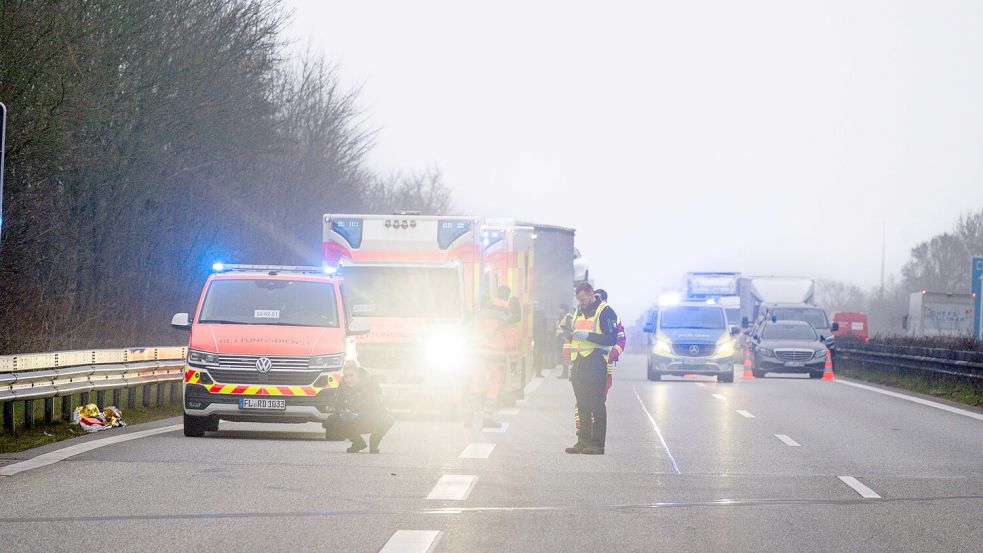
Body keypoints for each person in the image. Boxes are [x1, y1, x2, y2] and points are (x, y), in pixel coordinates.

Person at [565, 281, 618, 455]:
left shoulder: (606, 311)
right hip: (579, 362)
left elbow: (611, 339)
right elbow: (572, 331)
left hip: (596, 362)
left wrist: (588, 335)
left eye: (583, 299)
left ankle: (597, 444)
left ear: (591, 294)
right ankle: (583, 441)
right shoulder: (579, 310)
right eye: (578, 299)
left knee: (596, 404)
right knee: (582, 404)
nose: (581, 302)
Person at [573, 288, 626, 435]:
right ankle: (582, 427)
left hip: (603, 363)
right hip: (584, 361)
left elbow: (620, 339)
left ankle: (592, 427)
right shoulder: (582, 314)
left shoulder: (610, 316)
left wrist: (612, 355)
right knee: (582, 396)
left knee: (599, 396)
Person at [466, 286, 516, 429]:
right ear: (507, 297)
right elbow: (510, 339)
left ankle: (468, 415)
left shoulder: (484, 311)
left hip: (479, 354)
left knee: (476, 381)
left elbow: (474, 330)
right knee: (494, 385)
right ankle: (487, 418)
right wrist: (513, 360)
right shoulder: (508, 314)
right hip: (497, 355)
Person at [333, 361, 394, 453]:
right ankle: (358, 442)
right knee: (331, 421)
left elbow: (378, 406)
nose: (348, 379)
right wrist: (342, 413)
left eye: (351, 375)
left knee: (388, 419)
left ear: (358, 374)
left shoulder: (371, 383)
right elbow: (337, 404)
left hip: (371, 418)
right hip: (352, 419)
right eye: (346, 376)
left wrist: (360, 413)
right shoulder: (343, 385)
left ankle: (374, 442)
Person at [555, 305, 574, 379]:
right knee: (564, 358)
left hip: (566, 341)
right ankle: (565, 373)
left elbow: (569, 328)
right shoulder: (563, 316)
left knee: (566, 358)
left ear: (563, 309)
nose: (559, 311)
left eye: (560, 309)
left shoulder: (568, 317)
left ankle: (565, 374)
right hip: (562, 340)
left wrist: (565, 336)